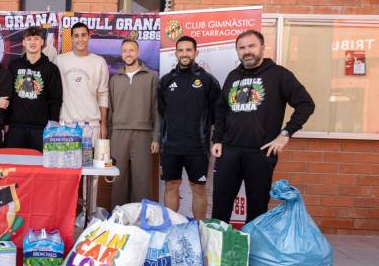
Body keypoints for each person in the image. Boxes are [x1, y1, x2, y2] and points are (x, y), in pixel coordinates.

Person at [212, 29, 315, 223]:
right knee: (220, 205)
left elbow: (306, 104)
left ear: (262, 48)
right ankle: (218, 250)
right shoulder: (233, 76)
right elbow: (221, 110)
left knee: (257, 207)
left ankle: (254, 251)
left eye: (251, 46)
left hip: (261, 153)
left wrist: (285, 134)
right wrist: (217, 139)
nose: (246, 51)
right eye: (241, 48)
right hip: (229, 151)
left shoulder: (279, 75)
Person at [158, 36, 220, 219]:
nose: (184, 54)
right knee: (171, 185)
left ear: (196, 52)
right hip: (171, 146)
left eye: (188, 50)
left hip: (197, 147)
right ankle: (172, 226)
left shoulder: (208, 81)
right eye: (181, 50)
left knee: (198, 188)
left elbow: (217, 114)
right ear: (176, 53)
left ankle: (199, 229)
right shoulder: (166, 80)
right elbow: (163, 111)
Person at [108, 38, 160, 204]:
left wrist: (156, 137)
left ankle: (141, 217)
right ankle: (118, 218)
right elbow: (110, 110)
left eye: (131, 50)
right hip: (118, 133)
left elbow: (157, 110)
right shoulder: (115, 80)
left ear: (138, 53)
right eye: (124, 51)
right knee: (118, 179)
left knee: (142, 181)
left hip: (143, 133)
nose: (128, 54)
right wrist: (108, 139)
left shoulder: (151, 77)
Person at [5, 26, 63, 151]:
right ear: (24, 42)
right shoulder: (14, 66)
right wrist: (6, 122)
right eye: (29, 39)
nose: (33, 42)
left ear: (42, 42)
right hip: (16, 127)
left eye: (36, 39)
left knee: (40, 167)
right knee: (13, 166)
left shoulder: (51, 69)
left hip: (41, 128)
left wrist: (53, 124)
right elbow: (7, 96)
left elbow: (55, 99)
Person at [53, 22, 109, 141]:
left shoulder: (99, 62)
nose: (80, 39)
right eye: (76, 36)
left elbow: (103, 94)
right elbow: (52, 93)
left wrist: (103, 124)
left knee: (90, 160)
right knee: (66, 160)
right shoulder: (59, 61)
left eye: (83, 35)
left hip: (92, 126)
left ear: (89, 37)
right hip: (66, 125)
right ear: (72, 38)